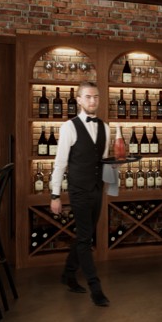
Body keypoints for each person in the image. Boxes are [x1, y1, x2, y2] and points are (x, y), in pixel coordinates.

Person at [50, 81, 111, 307]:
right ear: (79, 100)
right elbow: (60, 164)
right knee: (86, 238)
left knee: (85, 234)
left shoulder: (105, 127)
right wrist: (55, 195)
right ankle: (96, 289)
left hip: (97, 189)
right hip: (78, 190)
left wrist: (114, 171)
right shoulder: (69, 127)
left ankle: (67, 274)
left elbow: (102, 162)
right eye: (88, 97)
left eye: (95, 97)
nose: (92, 101)